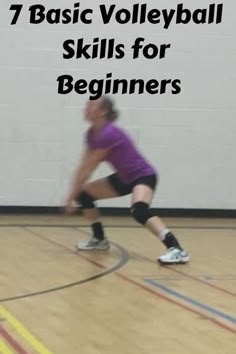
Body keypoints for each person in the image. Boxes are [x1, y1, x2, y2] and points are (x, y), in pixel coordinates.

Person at [64, 96, 190, 264]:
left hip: (143, 176)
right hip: (124, 178)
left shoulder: (108, 134)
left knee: (139, 210)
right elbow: (82, 166)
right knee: (84, 195)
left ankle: (176, 249)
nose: (85, 108)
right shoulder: (91, 134)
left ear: (102, 112)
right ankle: (99, 240)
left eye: (91, 105)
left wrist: (69, 198)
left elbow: (89, 168)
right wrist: (73, 195)